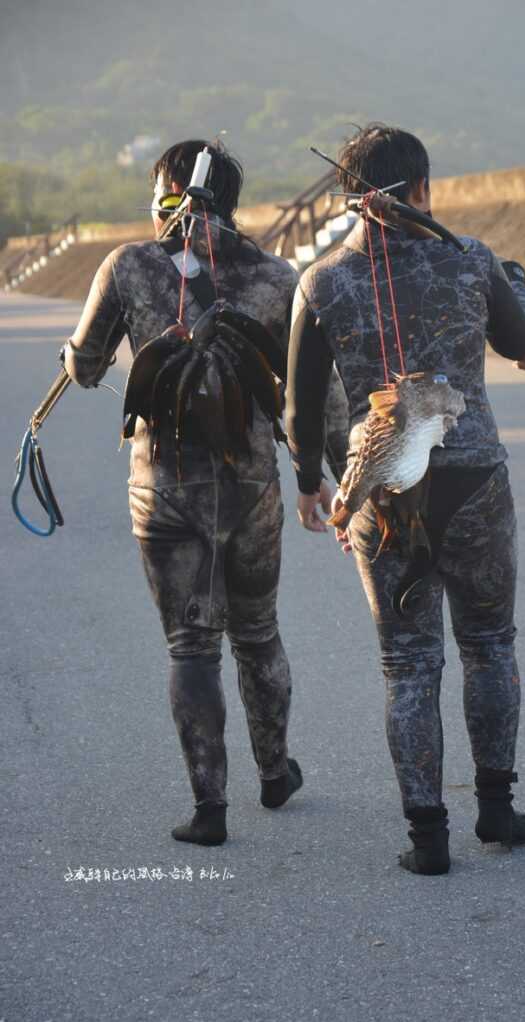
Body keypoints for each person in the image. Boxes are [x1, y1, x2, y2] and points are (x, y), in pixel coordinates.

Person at [286, 123, 525, 874]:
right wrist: (516, 283)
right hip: (474, 483)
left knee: (408, 665)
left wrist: (310, 486)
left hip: (384, 494)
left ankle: (427, 841)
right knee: (489, 646)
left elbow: (302, 407)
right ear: (422, 189)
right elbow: (518, 335)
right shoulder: (470, 260)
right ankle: (496, 809)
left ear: (347, 200)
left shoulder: (322, 280)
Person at [61, 139, 322, 845]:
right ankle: (275, 772)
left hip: (164, 491)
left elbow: (86, 368)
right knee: (258, 632)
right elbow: (306, 395)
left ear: (170, 192)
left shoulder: (130, 266)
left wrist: (73, 356)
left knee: (190, 647)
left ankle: (210, 811)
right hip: (251, 488)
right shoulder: (276, 276)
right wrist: (317, 477)